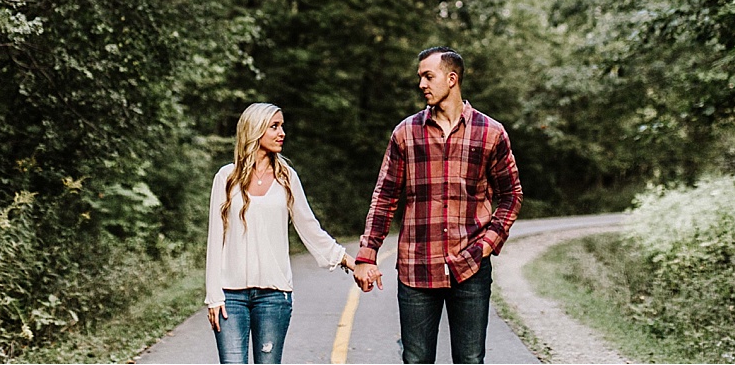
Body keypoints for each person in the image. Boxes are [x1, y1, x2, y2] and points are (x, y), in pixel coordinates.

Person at [352, 47, 523, 364]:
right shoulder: (406, 133)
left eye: (428, 76)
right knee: (416, 359)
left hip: (470, 266)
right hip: (417, 267)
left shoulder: (490, 133)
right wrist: (367, 254)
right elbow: (385, 196)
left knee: (470, 360)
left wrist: (488, 244)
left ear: (452, 78)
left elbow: (512, 195)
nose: (421, 84)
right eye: (420, 77)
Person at [205, 102, 355, 364]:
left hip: (274, 297)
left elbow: (309, 227)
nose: (281, 133)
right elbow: (215, 239)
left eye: (282, 126)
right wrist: (213, 296)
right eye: (274, 126)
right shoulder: (226, 178)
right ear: (255, 130)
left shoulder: (287, 177)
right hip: (230, 297)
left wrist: (348, 260)